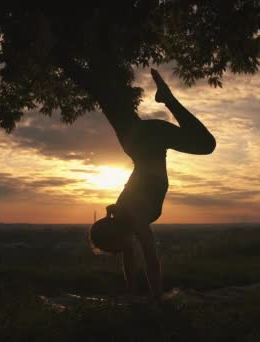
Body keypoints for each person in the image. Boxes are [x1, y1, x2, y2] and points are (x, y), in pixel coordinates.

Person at [89, 69, 216, 300]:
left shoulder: (135, 219)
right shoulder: (122, 218)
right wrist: (131, 293)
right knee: (116, 109)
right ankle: (110, 83)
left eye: (116, 247)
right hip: (136, 143)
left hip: (150, 142)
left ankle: (168, 99)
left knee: (206, 145)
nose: (122, 250)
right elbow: (129, 259)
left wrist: (157, 299)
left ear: (118, 235)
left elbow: (151, 261)